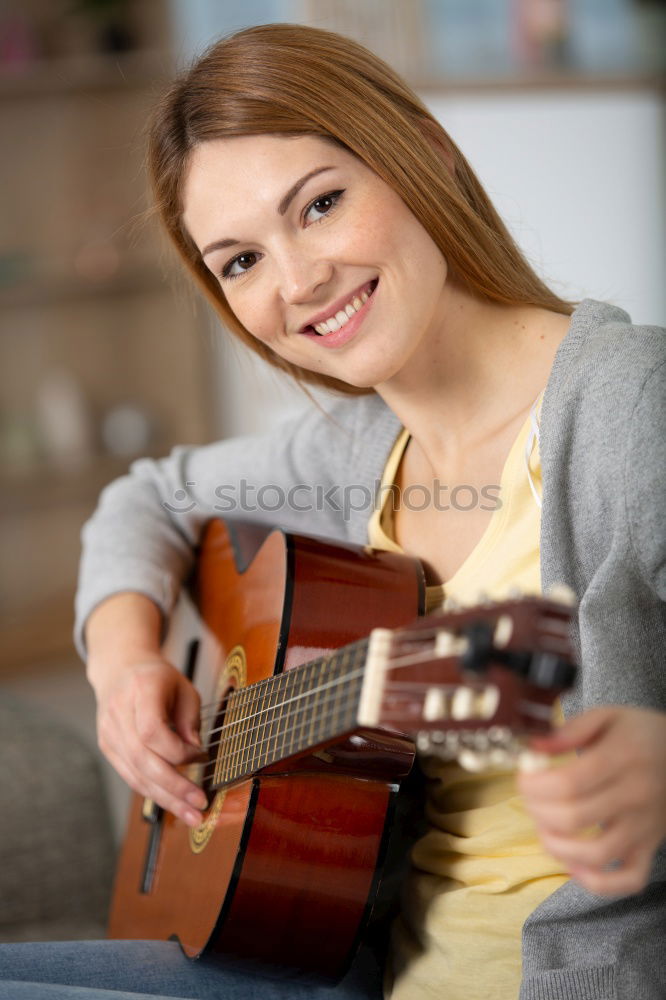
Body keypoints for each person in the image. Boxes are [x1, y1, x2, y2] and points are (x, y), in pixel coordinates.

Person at [1, 21, 664, 1000]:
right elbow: (146, 495)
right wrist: (124, 660)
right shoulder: (355, 450)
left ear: (424, 152)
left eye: (319, 205)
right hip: (347, 966)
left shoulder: (630, 408)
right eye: (240, 262)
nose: (298, 283)